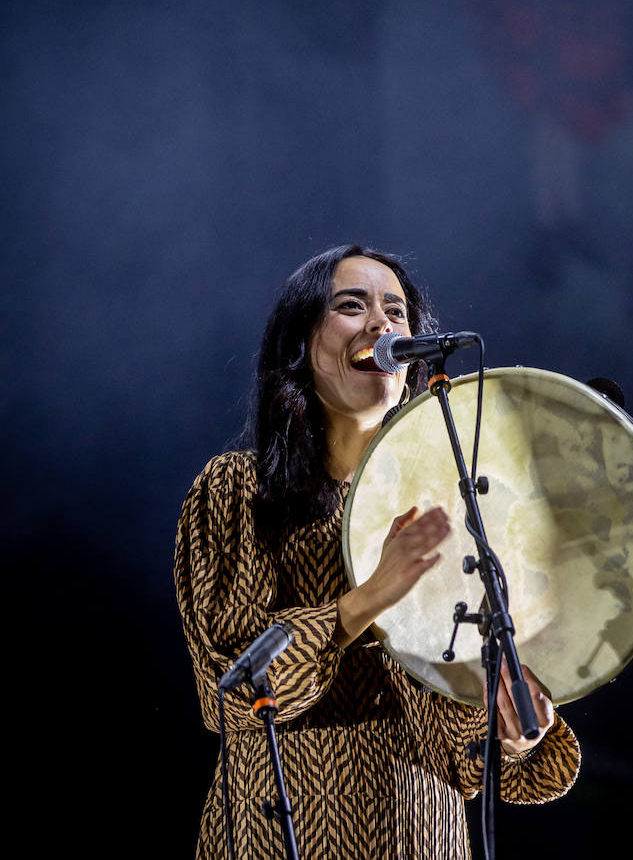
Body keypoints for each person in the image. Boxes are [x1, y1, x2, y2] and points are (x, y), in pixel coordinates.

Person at [175, 243, 581, 859]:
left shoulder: (454, 507)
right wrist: (366, 599)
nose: (381, 325)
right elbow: (228, 696)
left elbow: (465, 758)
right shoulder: (237, 489)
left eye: (396, 311)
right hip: (277, 825)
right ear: (300, 344)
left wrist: (512, 730)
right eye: (351, 306)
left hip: (422, 831)